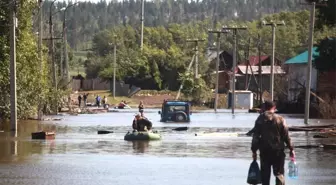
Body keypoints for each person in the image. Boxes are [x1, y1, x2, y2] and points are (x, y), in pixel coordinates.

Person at [251, 100, 295, 185]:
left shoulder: (260, 119)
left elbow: (255, 136)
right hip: (278, 152)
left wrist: (254, 151)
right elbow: (286, 136)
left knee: (265, 176)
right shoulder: (280, 119)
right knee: (279, 174)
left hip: (264, 151)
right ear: (274, 108)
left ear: (264, 108)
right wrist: (291, 149)